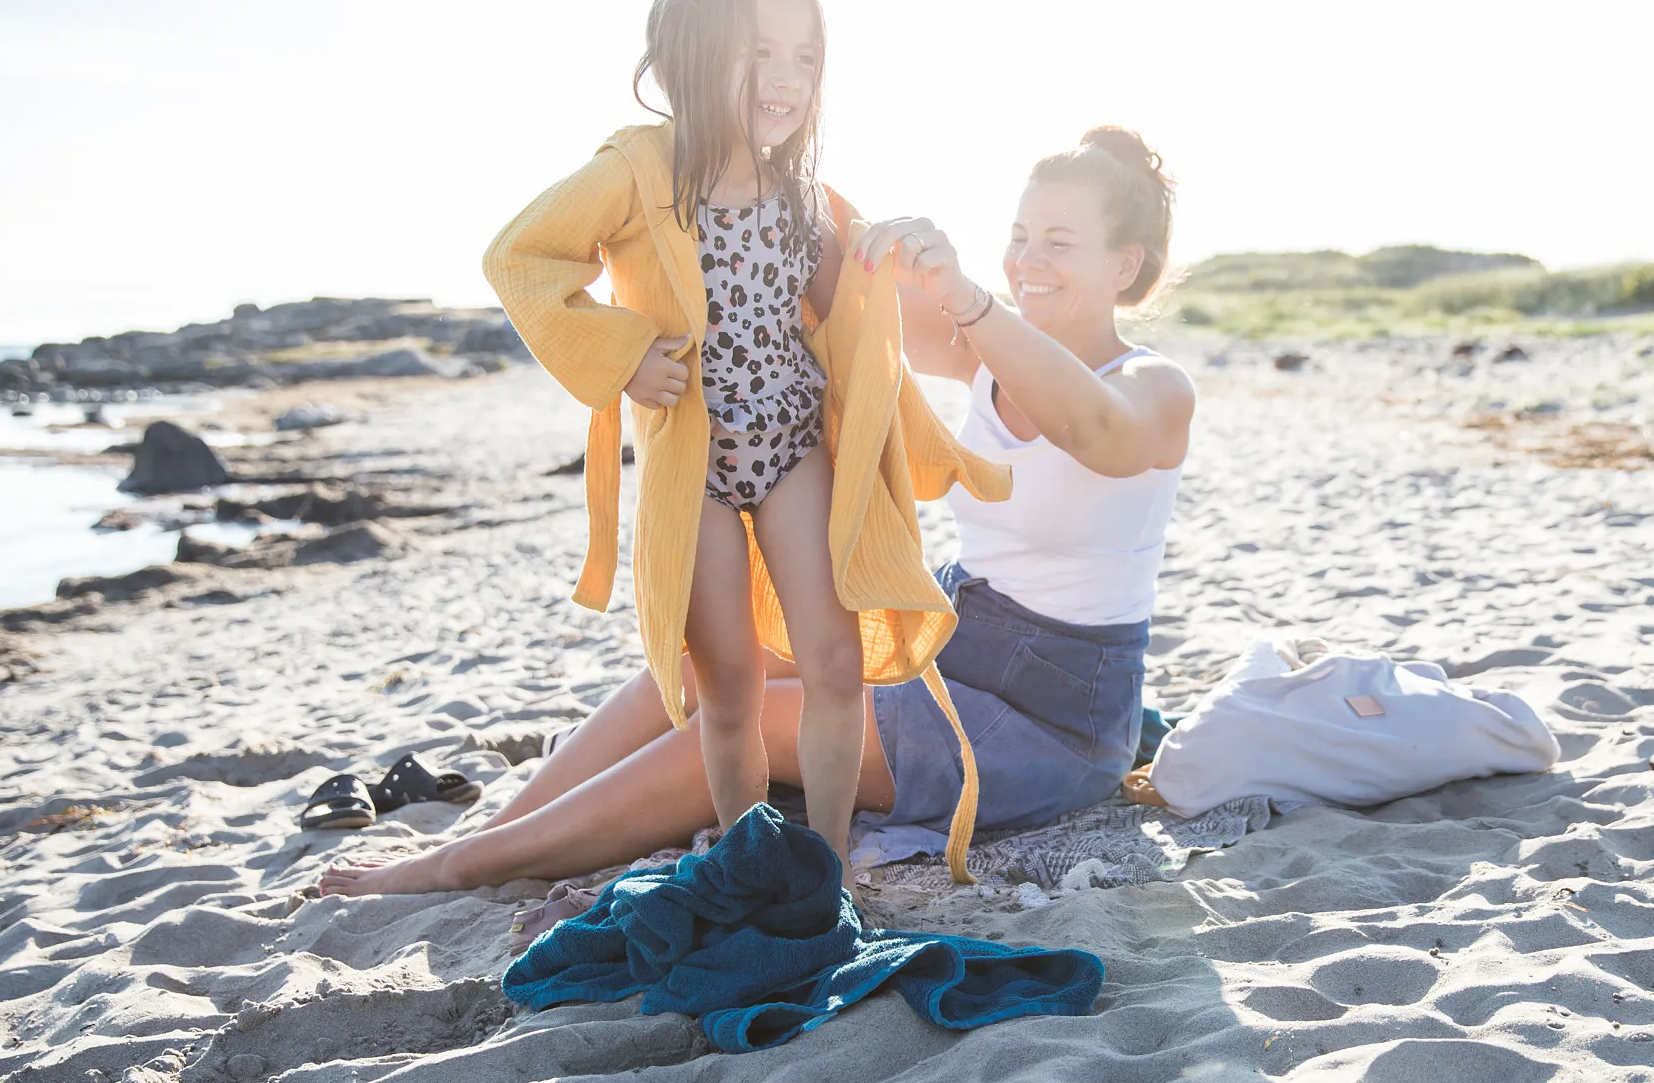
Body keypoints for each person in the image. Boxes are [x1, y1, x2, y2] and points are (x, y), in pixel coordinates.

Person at [321, 126, 1193, 895]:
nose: (1027, 262)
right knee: (710, 664)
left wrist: (965, 294)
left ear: (1124, 266)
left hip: (1055, 713)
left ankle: (455, 868)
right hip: (961, 632)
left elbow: (1092, 427)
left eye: (1059, 243)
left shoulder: (1154, 388)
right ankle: (499, 831)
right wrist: (755, 166)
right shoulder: (985, 351)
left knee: (761, 728)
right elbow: (833, 296)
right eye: (1019, 236)